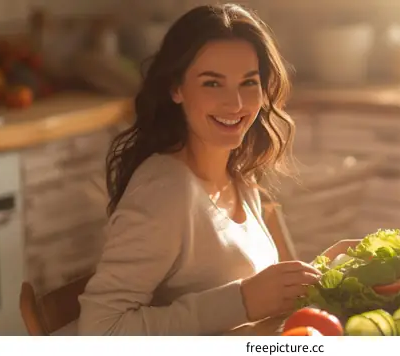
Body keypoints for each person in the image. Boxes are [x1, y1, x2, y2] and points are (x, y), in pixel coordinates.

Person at [77, 3, 358, 336]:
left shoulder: (240, 173)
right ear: (176, 89)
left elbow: (263, 295)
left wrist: (329, 269)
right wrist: (241, 301)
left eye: (248, 83)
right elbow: (99, 330)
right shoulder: (164, 191)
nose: (236, 104)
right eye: (212, 83)